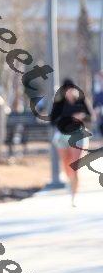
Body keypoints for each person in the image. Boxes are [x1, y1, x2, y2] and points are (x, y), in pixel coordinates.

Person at [51, 78, 92, 207]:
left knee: (75, 166)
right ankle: (71, 183)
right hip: (63, 136)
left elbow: (90, 117)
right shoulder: (59, 104)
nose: (70, 92)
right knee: (66, 165)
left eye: (71, 89)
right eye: (67, 90)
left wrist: (82, 117)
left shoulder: (81, 102)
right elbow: (53, 120)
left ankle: (74, 196)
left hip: (78, 135)